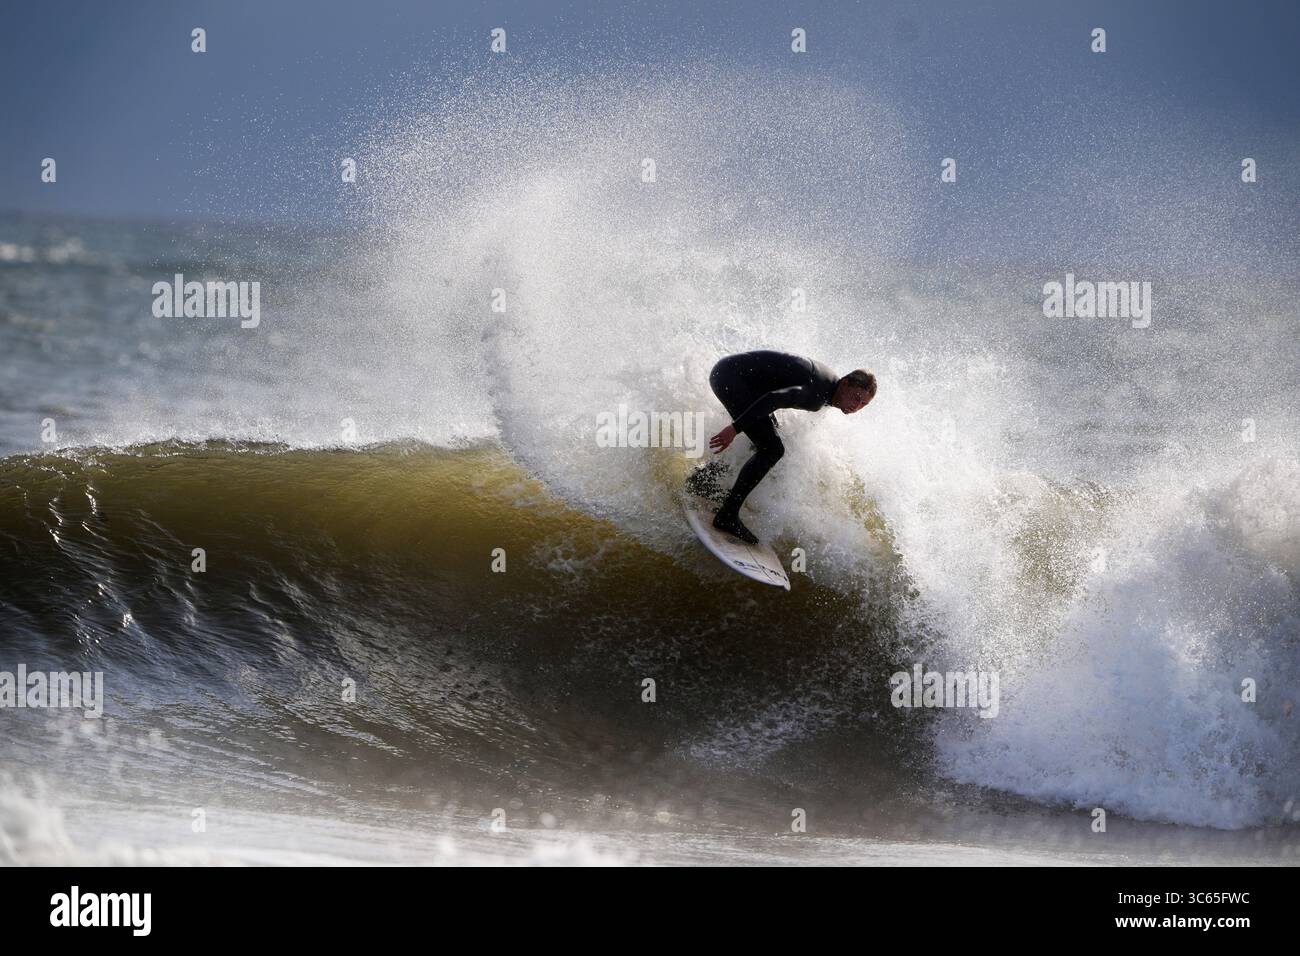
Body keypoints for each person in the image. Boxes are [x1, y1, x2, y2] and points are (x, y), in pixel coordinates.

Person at [704, 350, 876, 543]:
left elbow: (774, 394)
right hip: (731, 379)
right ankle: (727, 515)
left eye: (863, 404)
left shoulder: (829, 384)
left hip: (737, 378)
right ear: (845, 384)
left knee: (767, 438)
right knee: (772, 450)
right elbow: (773, 399)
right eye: (856, 397)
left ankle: (705, 479)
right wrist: (734, 429)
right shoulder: (817, 394)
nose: (856, 406)